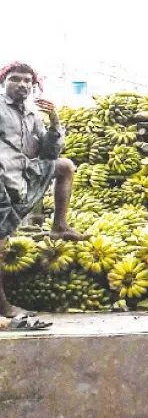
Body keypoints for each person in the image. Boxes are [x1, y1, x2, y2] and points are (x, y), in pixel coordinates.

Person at [0, 62, 87, 329]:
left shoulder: (31, 114)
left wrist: (55, 122)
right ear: (4, 82)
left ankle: (59, 225)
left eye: (28, 81)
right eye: (16, 79)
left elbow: (49, 154)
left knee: (64, 166)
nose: (23, 85)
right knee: (0, 243)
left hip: (22, 174)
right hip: (1, 177)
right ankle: (3, 305)